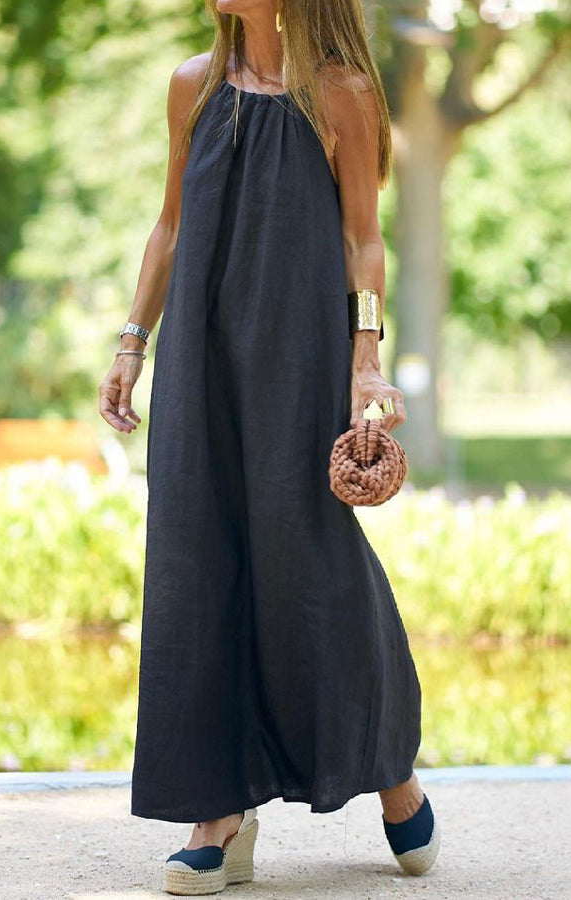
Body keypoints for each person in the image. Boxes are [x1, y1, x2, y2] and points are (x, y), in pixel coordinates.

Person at [98, 0, 441, 894]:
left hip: (300, 354)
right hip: (201, 359)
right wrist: (132, 344)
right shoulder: (192, 86)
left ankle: (389, 765)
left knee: (311, 563)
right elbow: (171, 225)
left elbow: (363, 238)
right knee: (196, 564)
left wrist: (365, 362)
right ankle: (218, 813)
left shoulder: (342, 94)